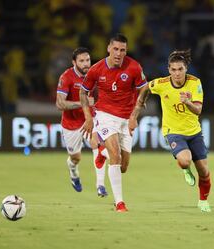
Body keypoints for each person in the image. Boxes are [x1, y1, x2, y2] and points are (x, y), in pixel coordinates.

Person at [129, 49, 212, 212]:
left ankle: (203, 201)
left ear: (186, 68)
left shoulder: (195, 83)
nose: (177, 73)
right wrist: (136, 110)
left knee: (204, 171)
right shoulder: (161, 84)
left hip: (194, 132)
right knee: (184, 160)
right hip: (173, 131)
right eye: (173, 70)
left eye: (180, 69)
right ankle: (186, 169)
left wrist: (187, 102)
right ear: (168, 70)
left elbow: (198, 110)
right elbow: (145, 88)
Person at [80, 34, 147, 212]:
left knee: (123, 166)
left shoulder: (134, 67)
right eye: (115, 49)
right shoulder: (96, 69)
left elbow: (144, 89)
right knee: (116, 155)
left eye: (122, 50)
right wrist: (88, 117)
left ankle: (102, 153)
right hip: (105, 116)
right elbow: (83, 92)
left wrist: (135, 115)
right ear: (108, 48)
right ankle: (120, 203)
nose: (118, 53)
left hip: (126, 119)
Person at [56, 47, 109, 197]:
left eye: (87, 60)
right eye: (82, 61)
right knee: (76, 158)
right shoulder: (66, 77)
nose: (86, 64)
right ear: (74, 62)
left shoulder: (94, 74)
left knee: (97, 144)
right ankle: (73, 171)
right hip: (71, 124)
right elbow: (60, 104)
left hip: (90, 119)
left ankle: (100, 185)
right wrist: (82, 102)